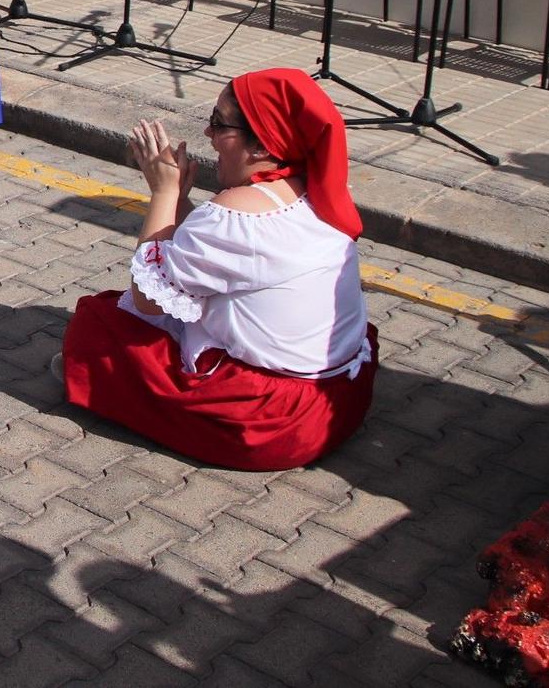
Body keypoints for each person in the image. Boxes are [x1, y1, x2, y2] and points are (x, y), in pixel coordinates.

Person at [58, 69, 378, 471]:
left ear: (261, 145)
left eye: (219, 123)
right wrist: (178, 200)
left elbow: (149, 297)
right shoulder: (309, 191)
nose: (208, 133)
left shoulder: (234, 213)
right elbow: (211, 255)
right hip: (340, 401)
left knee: (98, 323)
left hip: (271, 423)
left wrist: (163, 192)